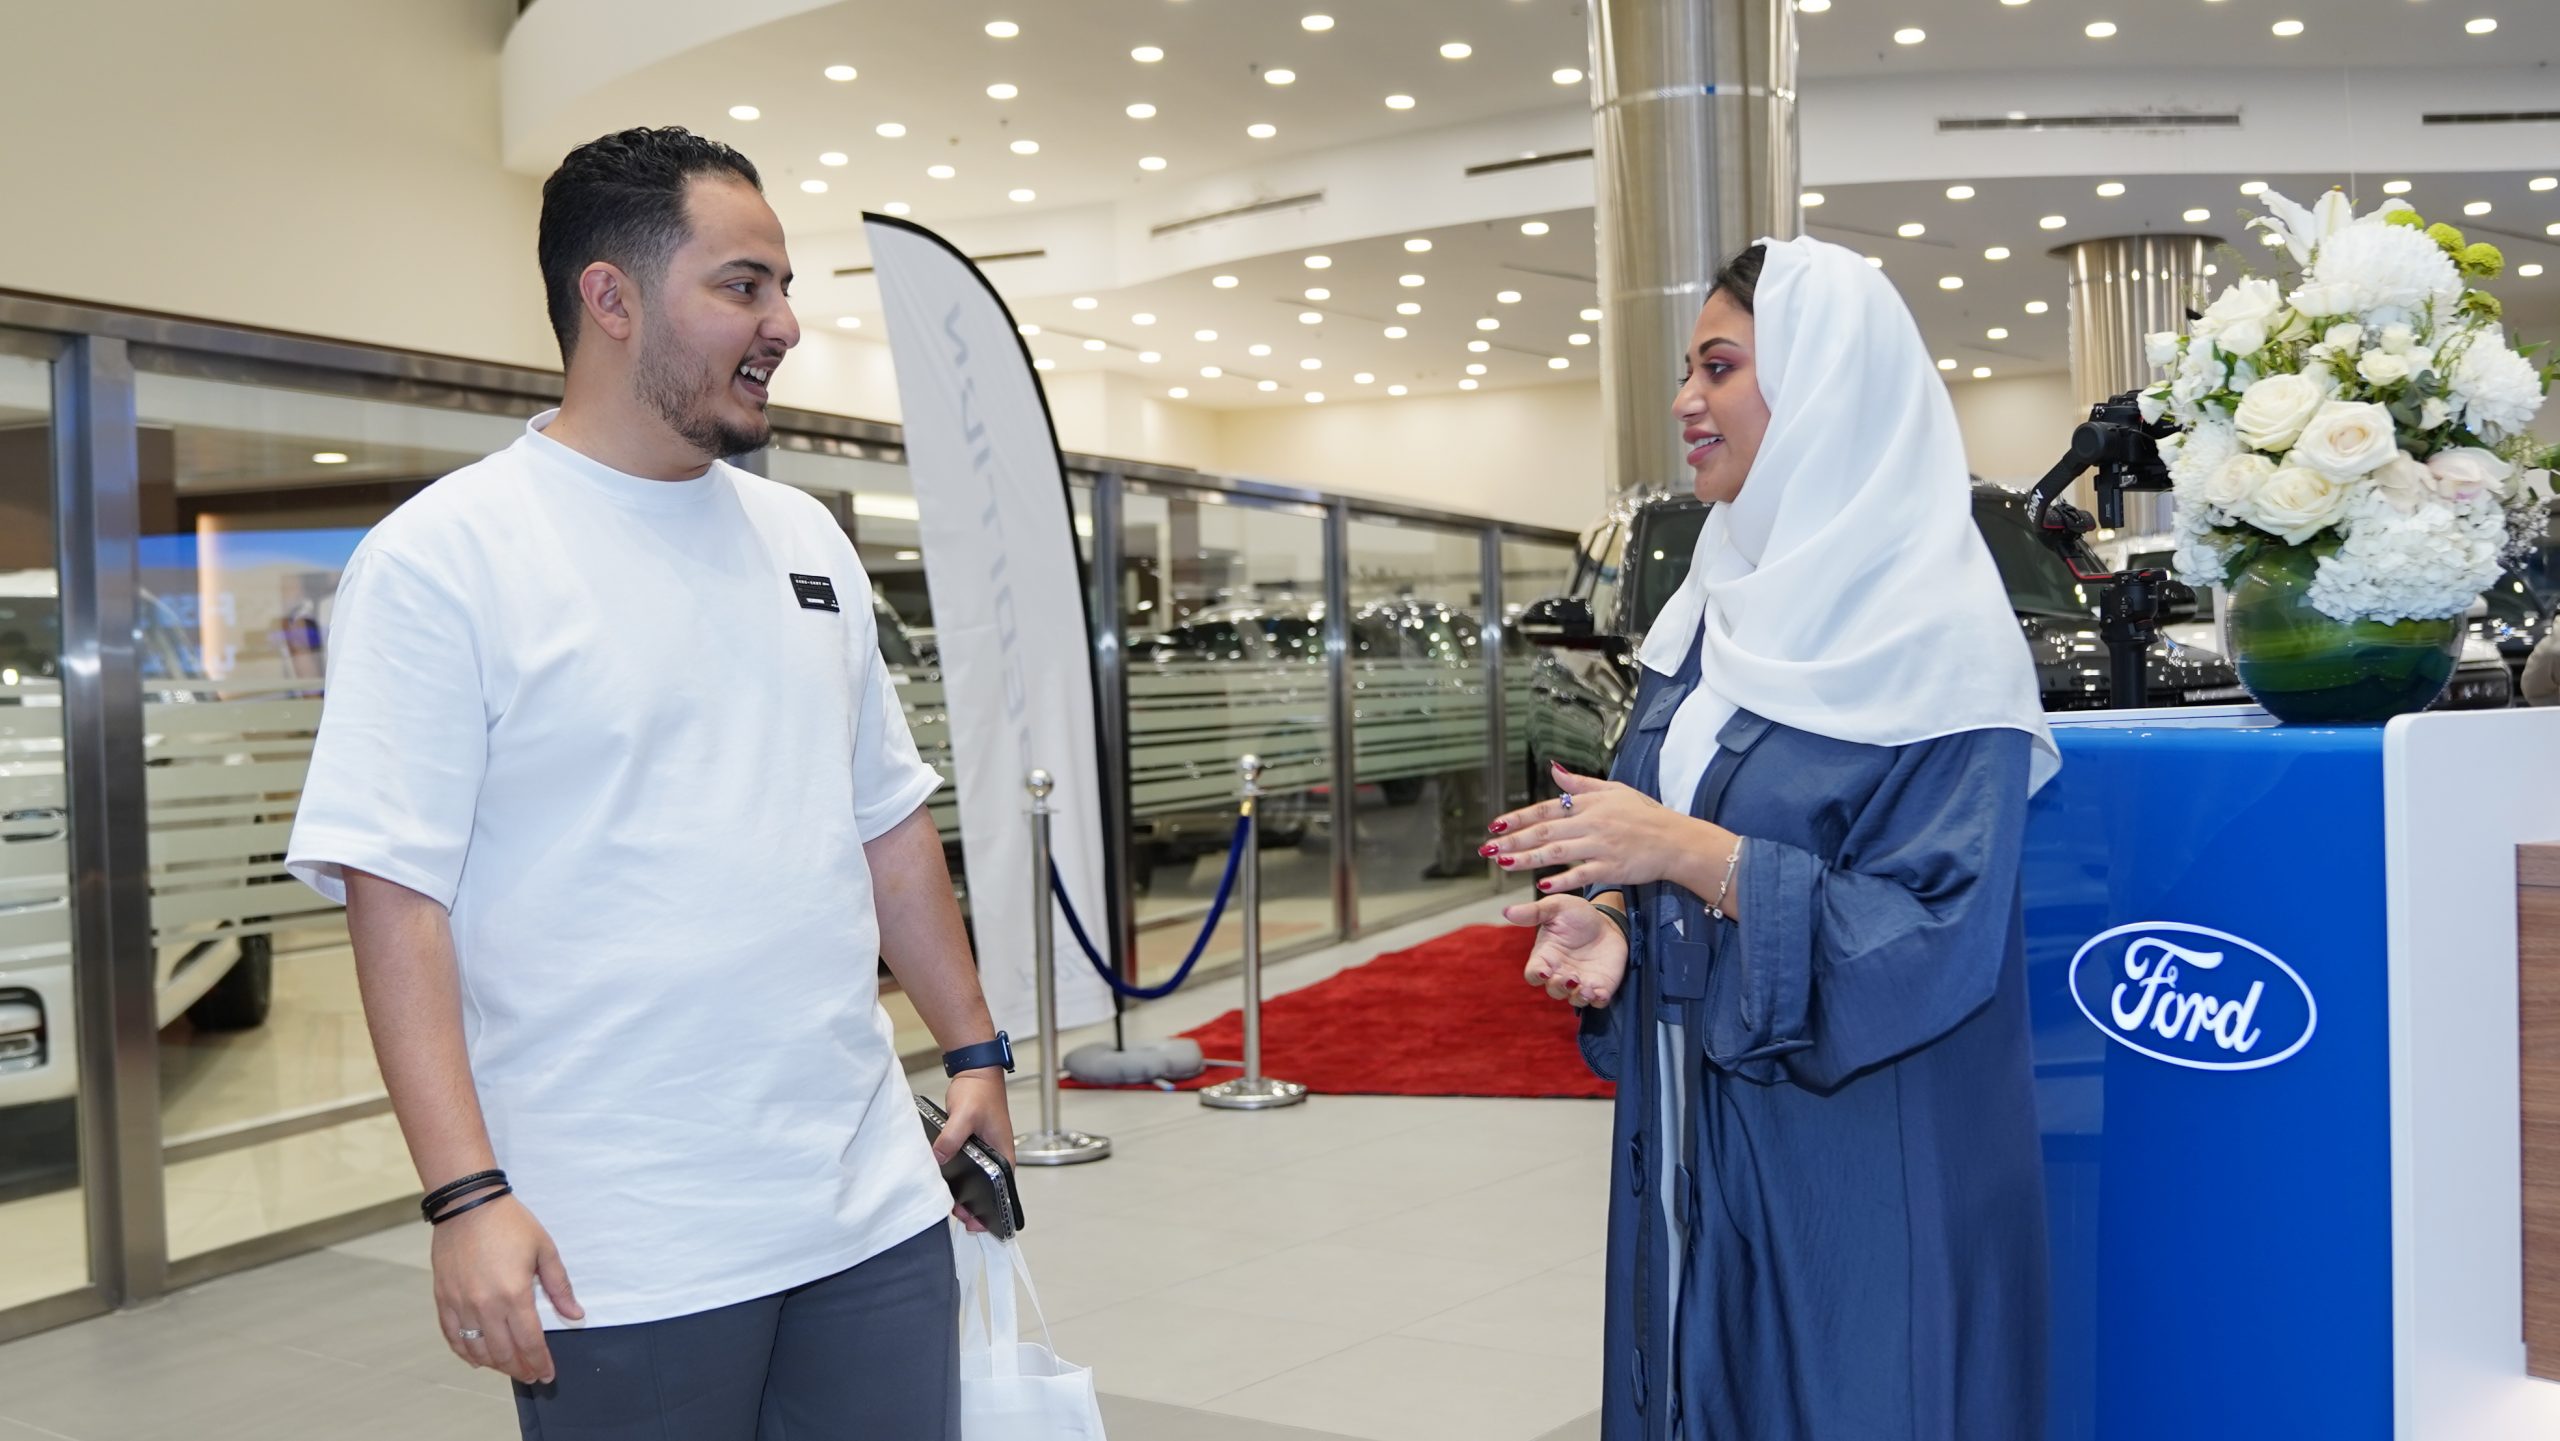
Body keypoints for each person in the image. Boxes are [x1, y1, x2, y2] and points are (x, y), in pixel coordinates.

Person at [284, 127, 1011, 1441]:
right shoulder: (446, 557)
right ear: (609, 298)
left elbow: (886, 820)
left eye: (784, 286)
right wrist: (464, 1195)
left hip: (869, 1202)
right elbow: (397, 897)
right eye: (743, 285)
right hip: (619, 1241)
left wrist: (975, 1049)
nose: (784, 323)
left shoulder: (804, 539)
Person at [1485, 236, 2059, 1441]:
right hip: (1701, 1124)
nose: (1684, 402)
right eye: (1686, 370)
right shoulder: (1706, 615)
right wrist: (1621, 925)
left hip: (1865, 1146)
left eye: (1720, 366)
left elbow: (1935, 934)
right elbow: (1688, 841)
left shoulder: (1942, 639)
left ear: (1824, 384)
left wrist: (1680, 853)